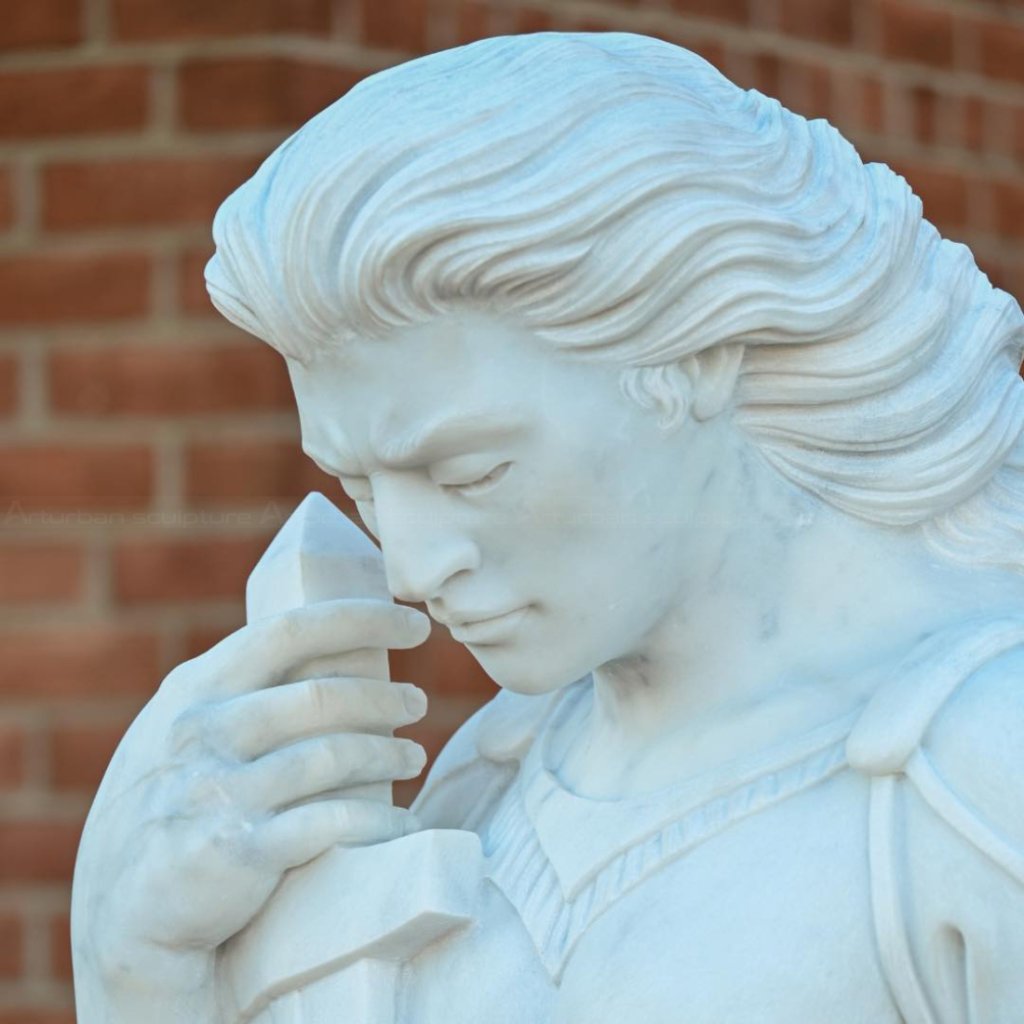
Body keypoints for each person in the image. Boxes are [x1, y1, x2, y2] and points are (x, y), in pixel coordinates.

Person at [73, 33, 1024, 1022]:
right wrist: (138, 972)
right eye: (361, 487)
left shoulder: (974, 779)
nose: (410, 570)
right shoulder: (484, 788)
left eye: (470, 471)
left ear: (695, 354)